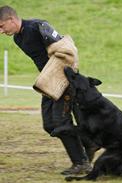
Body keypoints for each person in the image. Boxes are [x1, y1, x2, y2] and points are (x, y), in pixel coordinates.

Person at [0, 5, 93, 175]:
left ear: (11, 19)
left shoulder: (38, 26)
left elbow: (67, 49)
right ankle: (87, 142)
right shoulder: (17, 39)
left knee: (61, 123)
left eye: (1, 26)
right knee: (50, 125)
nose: (1, 31)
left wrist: (71, 77)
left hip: (64, 81)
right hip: (48, 83)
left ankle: (81, 162)